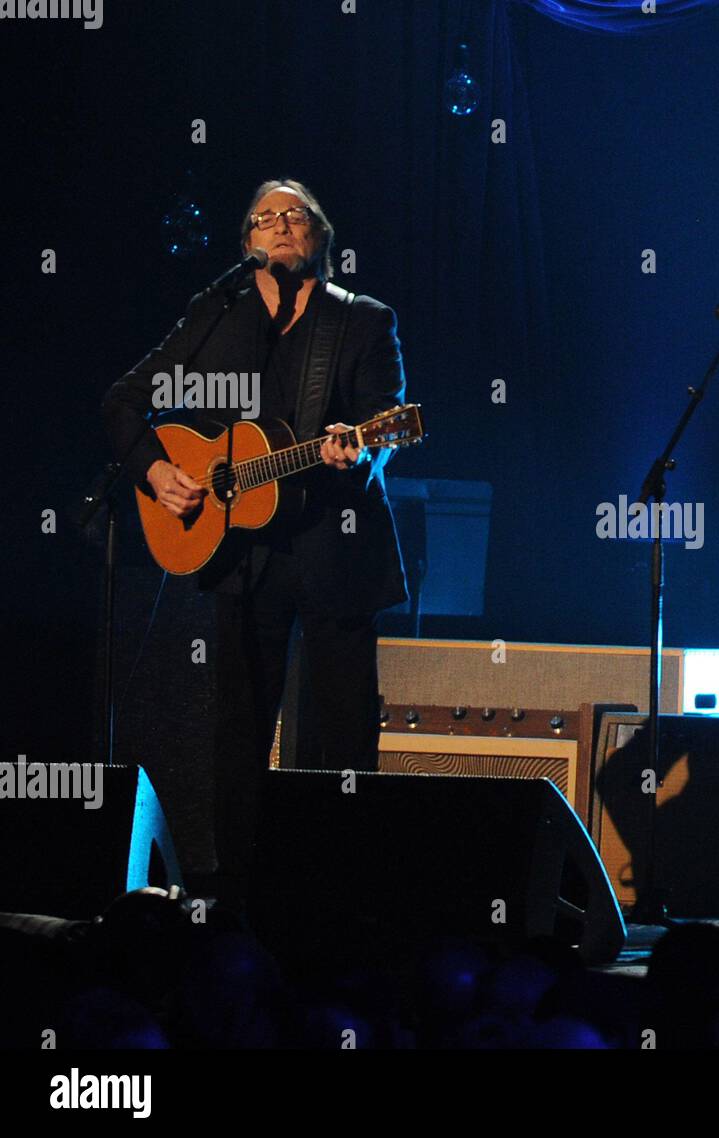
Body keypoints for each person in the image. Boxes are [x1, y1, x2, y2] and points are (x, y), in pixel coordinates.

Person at [102, 179, 408, 905]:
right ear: (246, 247)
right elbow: (122, 400)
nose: (279, 225)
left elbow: (386, 424)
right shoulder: (217, 319)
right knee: (238, 734)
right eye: (263, 218)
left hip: (335, 545)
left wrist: (358, 450)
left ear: (319, 236)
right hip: (242, 558)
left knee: (343, 730)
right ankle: (239, 894)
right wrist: (155, 471)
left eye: (293, 216)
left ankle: (348, 893)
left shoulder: (361, 321)